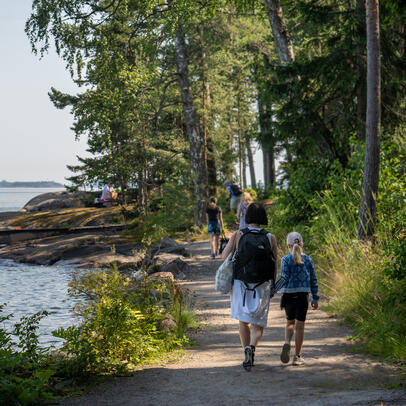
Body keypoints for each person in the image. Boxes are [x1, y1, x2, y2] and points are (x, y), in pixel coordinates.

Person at [221, 203, 277, 371]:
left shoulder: (238, 235)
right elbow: (274, 263)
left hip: (241, 284)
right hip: (262, 284)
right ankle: (252, 348)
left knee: (243, 321)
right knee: (258, 323)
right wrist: (273, 285)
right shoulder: (270, 237)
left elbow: (224, 256)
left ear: (247, 217)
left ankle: (245, 349)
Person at [269, 232, 319, 366]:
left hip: (288, 296)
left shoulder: (285, 259)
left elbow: (284, 278)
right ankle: (297, 356)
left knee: (289, 322)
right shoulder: (308, 259)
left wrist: (273, 290)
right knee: (300, 326)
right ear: (301, 244)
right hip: (302, 296)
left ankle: (286, 342)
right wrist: (315, 298)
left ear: (288, 246)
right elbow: (313, 280)